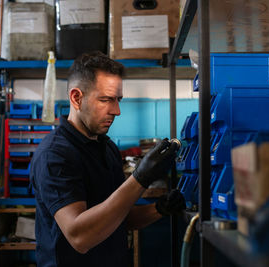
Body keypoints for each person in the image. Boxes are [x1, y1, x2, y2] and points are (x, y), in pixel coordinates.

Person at [30, 51, 185, 267]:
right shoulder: (54, 155)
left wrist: (159, 209)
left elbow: (120, 217)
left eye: (118, 100)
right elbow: (80, 237)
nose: (116, 110)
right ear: (76, 98)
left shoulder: (106, 148)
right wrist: (140, 178)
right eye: (106, 100)